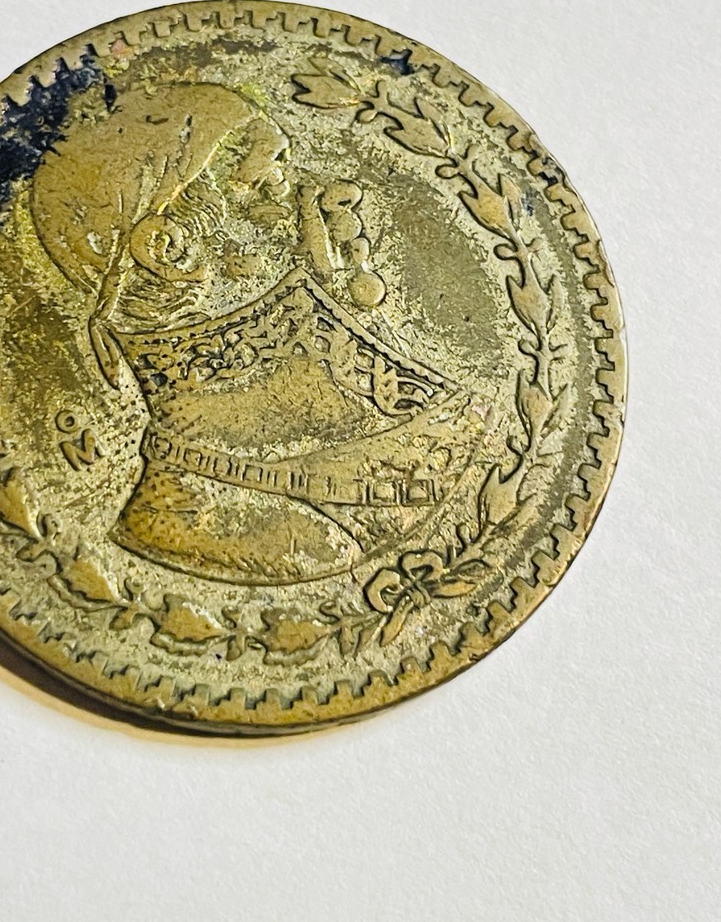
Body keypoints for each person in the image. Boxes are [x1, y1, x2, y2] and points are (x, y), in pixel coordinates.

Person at [31, 82, 483, 584]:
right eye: (273, 189)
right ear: (167, 249)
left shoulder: (340, 503)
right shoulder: (292, 542)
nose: (323, 227)